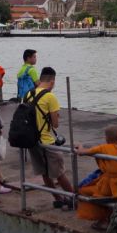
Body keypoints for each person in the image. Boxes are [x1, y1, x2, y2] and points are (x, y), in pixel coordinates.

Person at [24, 66, 74, 207]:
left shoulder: (28, 94)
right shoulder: (50, 97)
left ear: (40, 79)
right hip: (47, 141)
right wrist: (55, 116)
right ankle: (75, 199)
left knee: (44, 172)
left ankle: (58, 198)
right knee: (59, 172)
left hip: (33, 140)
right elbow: (55, 124)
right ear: (52, 81)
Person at [74, 125, 117, 222]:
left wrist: (80, 146)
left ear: (106, 138)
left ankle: (102, 219)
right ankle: (108, 216)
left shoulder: (103, 148)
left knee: (82, 190)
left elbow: (81, 152)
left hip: (108, 186)